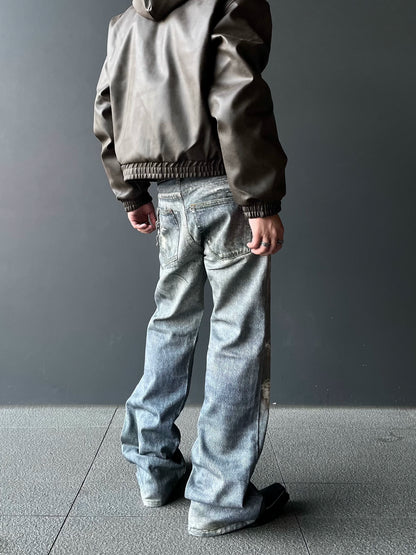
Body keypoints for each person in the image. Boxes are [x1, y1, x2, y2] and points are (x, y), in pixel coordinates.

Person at [93, 0, 289, 537]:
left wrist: (132, 192)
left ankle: (154, 469)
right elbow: (237, 93)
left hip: (170, 196)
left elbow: (106, 107)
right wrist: (259, 198)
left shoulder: (126, 22)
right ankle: (220, 498)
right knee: (237, 334)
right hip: (225, 188)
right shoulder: (229, 3)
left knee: (172, 321)